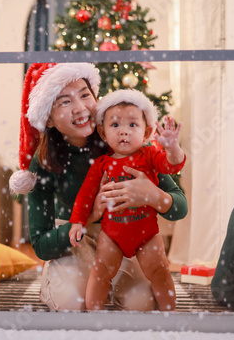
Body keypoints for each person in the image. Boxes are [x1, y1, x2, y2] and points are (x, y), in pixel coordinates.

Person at [9, 62, 188, 311]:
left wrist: (154, 195)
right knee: (73, 302)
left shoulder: (124, 139)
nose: (80, 108)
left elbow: (179, 207)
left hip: (122, 233)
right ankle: (60, 278)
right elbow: (39, 244)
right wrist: (88, 215)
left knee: (143, 302)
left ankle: (104, 281)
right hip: (74, 237)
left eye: (85, 95)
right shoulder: (45, 161)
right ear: (48, 118)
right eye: (65, 101)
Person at [68, 89, 185, 311]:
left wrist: (172, 149)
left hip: (147, 235)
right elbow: (85, 195)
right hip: (112, 234)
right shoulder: (101, 164)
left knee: (160, 270)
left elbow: (171, 165)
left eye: (132, 125)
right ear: (103, 133)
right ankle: (94, 314)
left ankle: (171, 313)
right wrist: (77, 221)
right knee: (101, 269)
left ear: (147, 131)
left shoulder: (150, 156)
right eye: (115, 125)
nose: (124, 132)